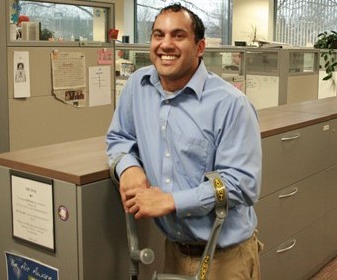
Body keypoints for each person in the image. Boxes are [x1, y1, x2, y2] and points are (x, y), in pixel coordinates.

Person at [106, 3, 262, 279]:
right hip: (174, 252)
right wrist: (128, 167)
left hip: (225, 257)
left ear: (199, 47)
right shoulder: (137, 87)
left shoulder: (230, 104)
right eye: (158, 35)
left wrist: (173, 201)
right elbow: (120, 137)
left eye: (178, 36)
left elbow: (242, 183)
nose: (166, 44)